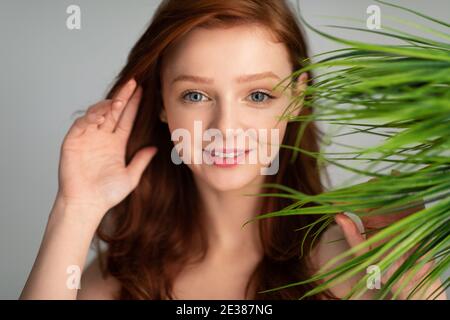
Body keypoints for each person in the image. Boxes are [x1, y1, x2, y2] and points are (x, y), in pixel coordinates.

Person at [20, 0, 445, 300]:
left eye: (257, 95)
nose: (225, 129)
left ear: (296, 98)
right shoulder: (118, 279)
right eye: (195, 96)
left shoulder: (357, 262)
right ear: (163, 105)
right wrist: (75, 207)